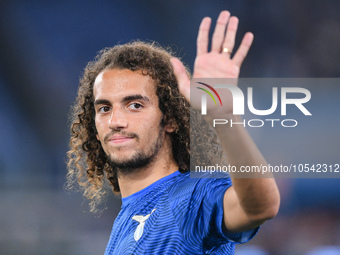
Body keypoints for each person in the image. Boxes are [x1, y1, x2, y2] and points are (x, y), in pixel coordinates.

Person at [66, 10, 280, 254]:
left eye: (135, 105)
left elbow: (261, 208)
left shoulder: (192, 197)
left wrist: (224, 119)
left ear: (170, 120)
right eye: (104, 108)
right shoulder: (124, 222)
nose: (115, 121)